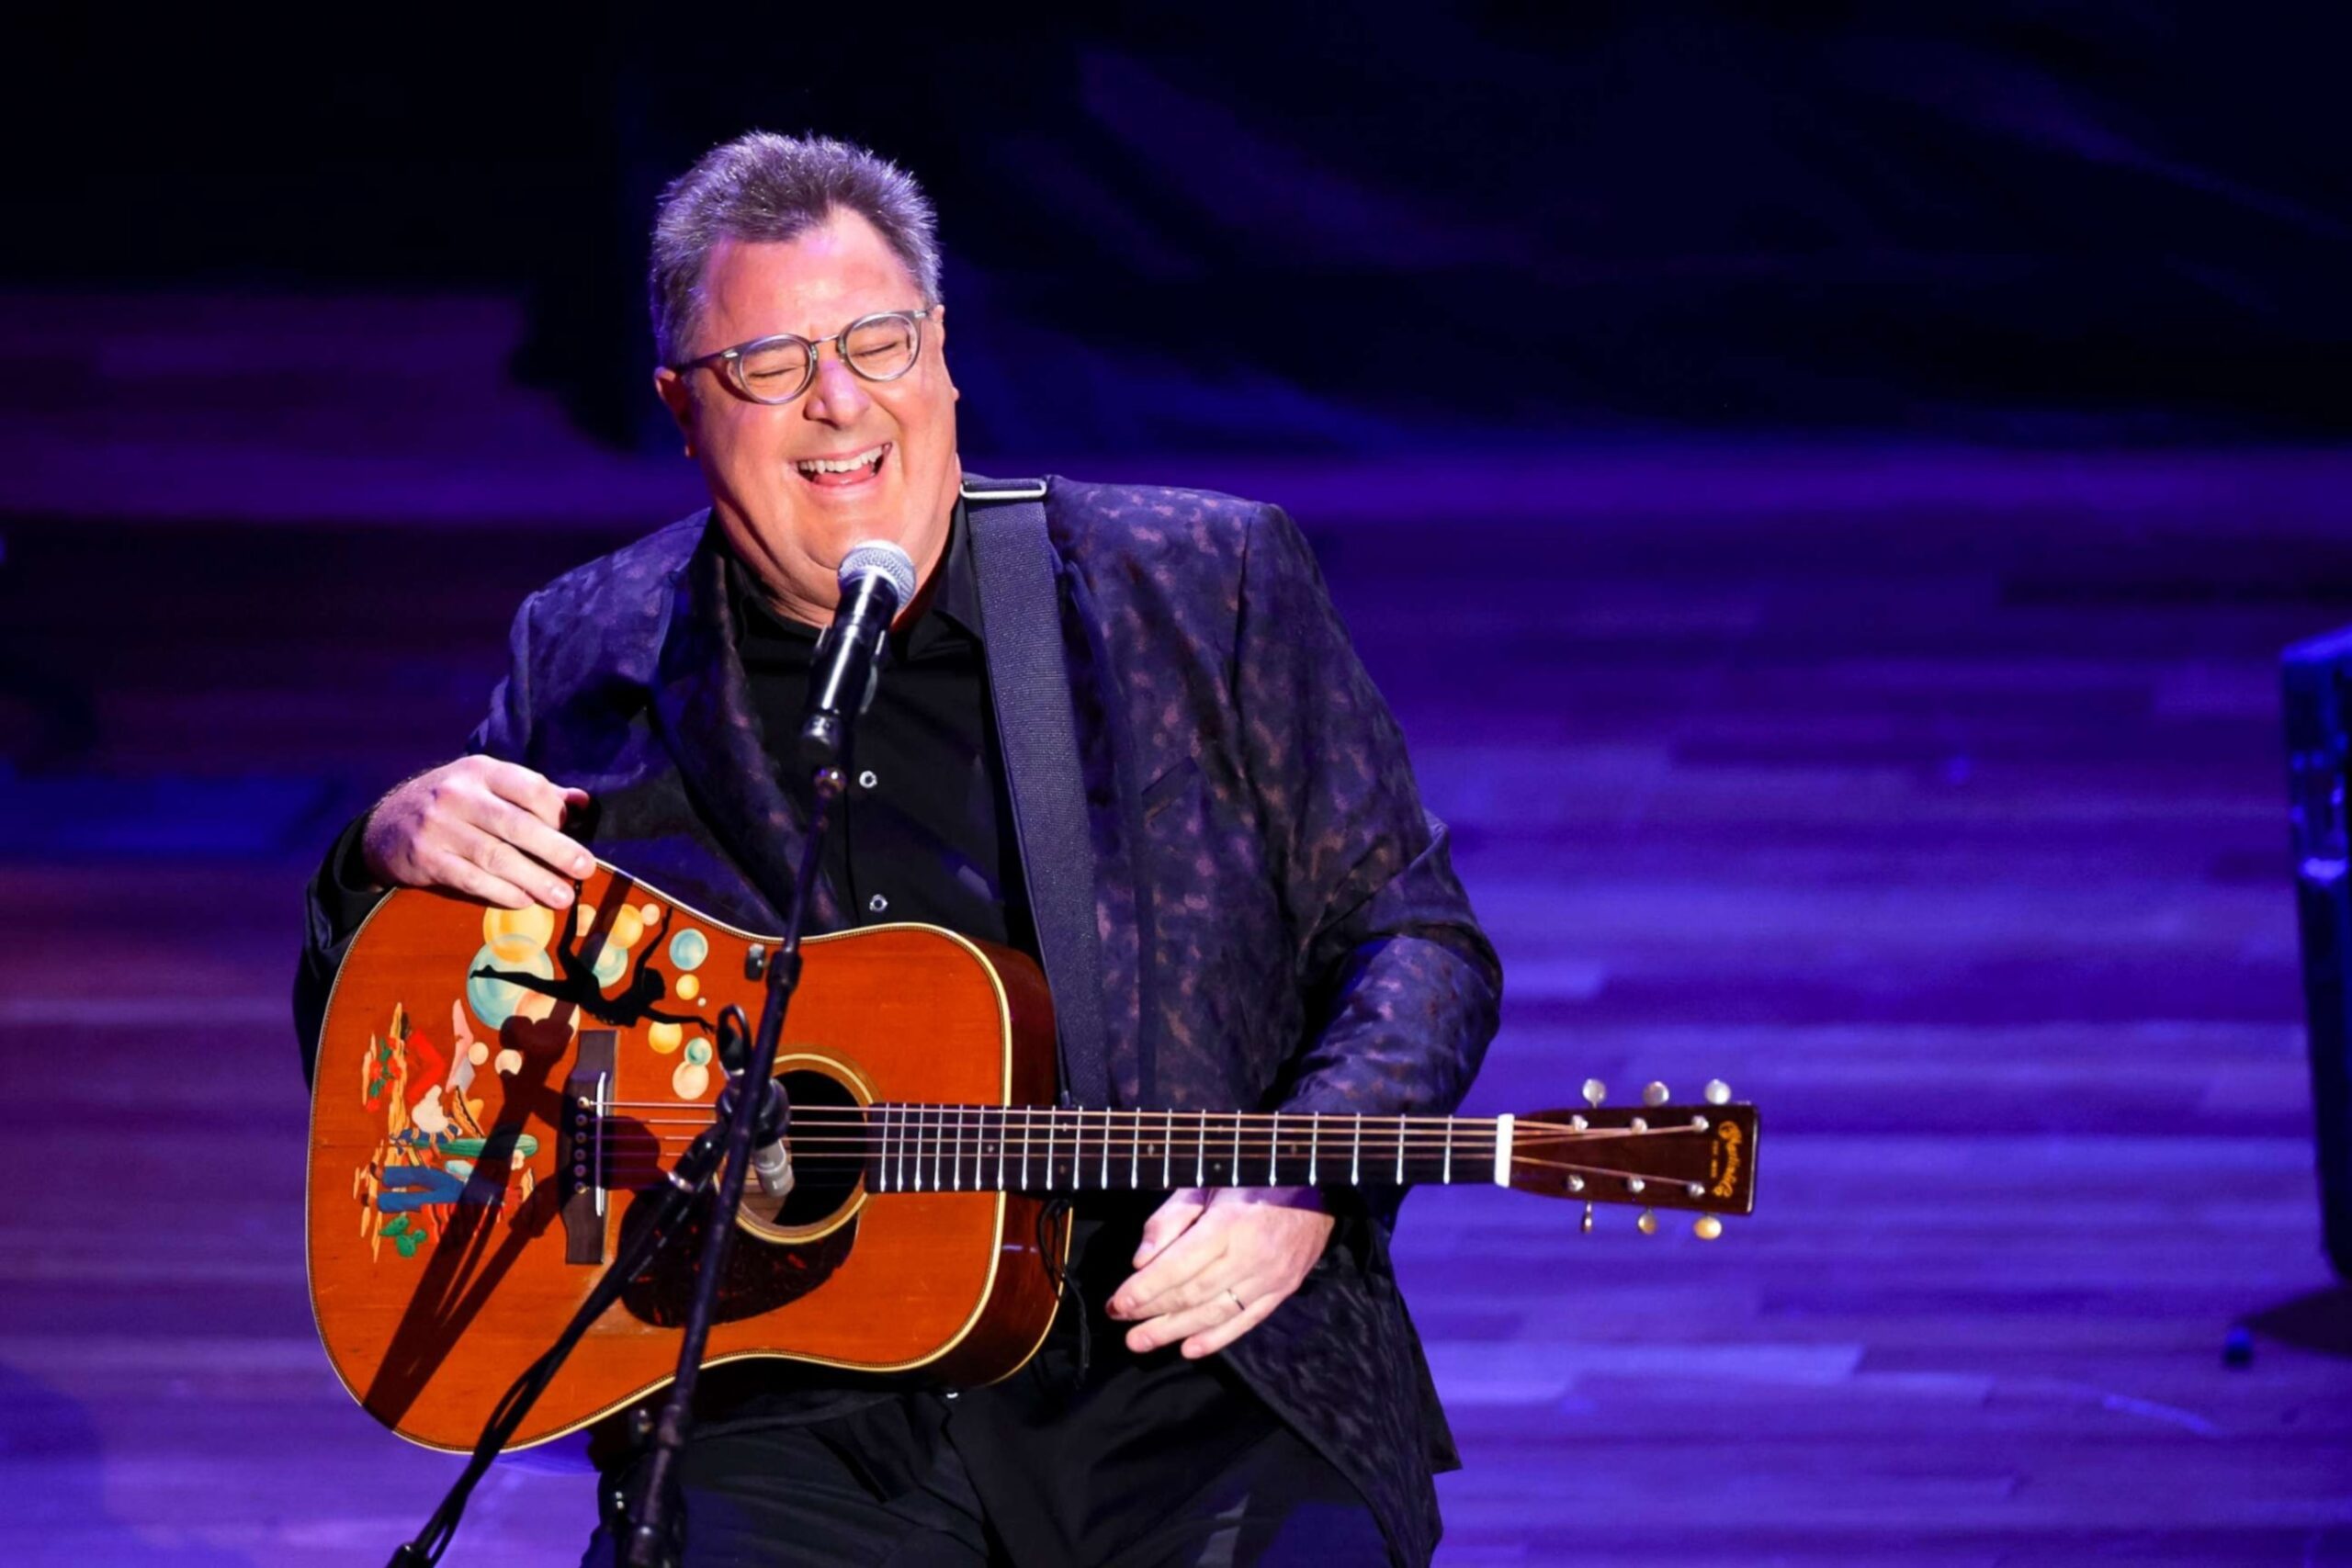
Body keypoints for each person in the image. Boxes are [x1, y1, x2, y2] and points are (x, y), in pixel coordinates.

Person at [294, 130, 1500, 1568]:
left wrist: (1301, 1183)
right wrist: (378, 856)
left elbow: (1415, 939)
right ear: (682, 405)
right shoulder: (590, 649)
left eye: (879, 342)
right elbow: (413, 1053)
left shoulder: (1198, 584)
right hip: (784, 1398)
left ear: (943, 356)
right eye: (771, 363)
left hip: (1190, 1375)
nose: (840, 401)